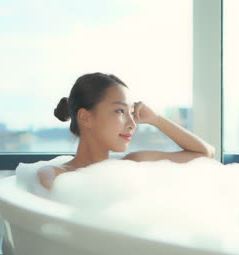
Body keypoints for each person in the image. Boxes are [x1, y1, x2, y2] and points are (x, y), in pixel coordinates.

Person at [37, 72, 215, 190]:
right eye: (120, 111)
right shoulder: (55, 175)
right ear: (85, 117)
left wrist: (156, 119)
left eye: (131, 112)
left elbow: (205, 154)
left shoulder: (132, 163)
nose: (132, 124)